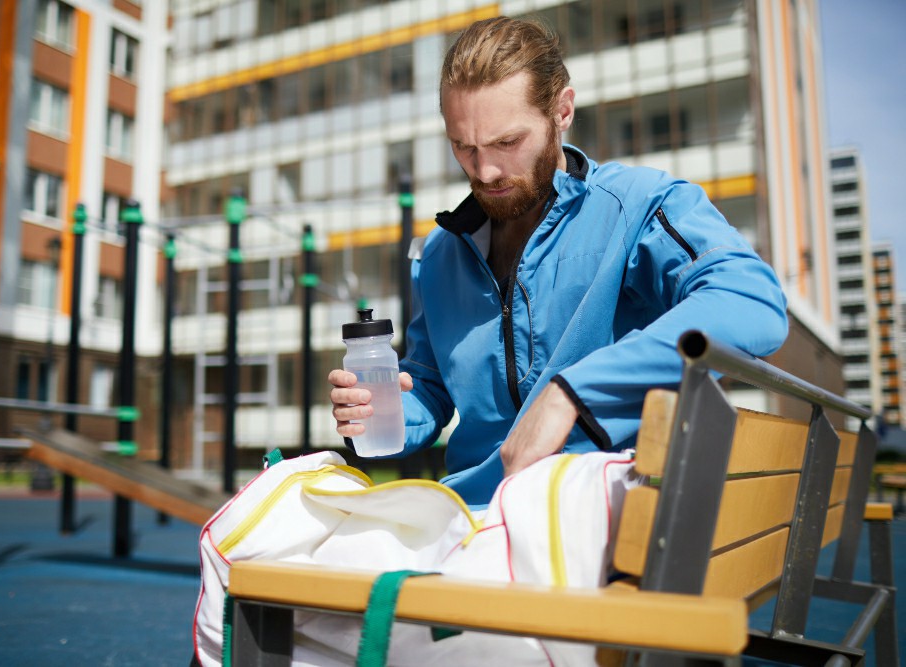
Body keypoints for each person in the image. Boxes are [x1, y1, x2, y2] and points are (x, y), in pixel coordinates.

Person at [328, 16, 788, 508]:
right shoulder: (441, 255)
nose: (485, 171)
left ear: (562, 111)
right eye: (464, 147)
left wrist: (572, 392)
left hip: (594, 511)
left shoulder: (638, 205)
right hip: (473, 520)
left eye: (508, 143)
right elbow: (429, 389)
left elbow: (752, 301)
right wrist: (382, 409)